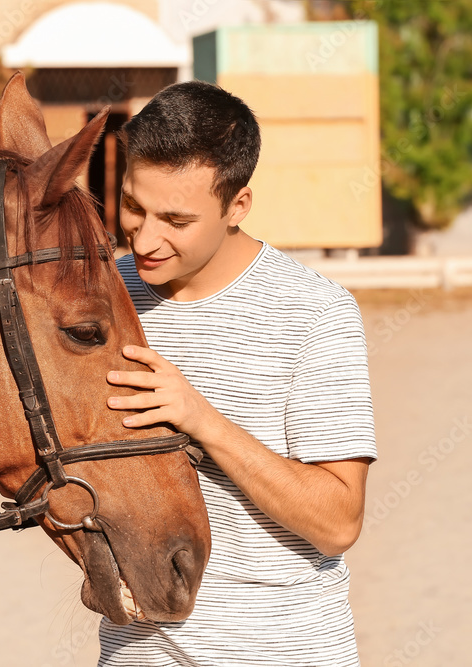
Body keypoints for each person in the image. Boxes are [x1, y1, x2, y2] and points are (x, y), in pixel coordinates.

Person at [99, 80, 377, 666]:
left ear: (237, 206)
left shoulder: (314, 312)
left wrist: (202, 420)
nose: (145, 238)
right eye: (132, 205)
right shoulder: (98, 297)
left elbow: (338, 522)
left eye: (176, 219)